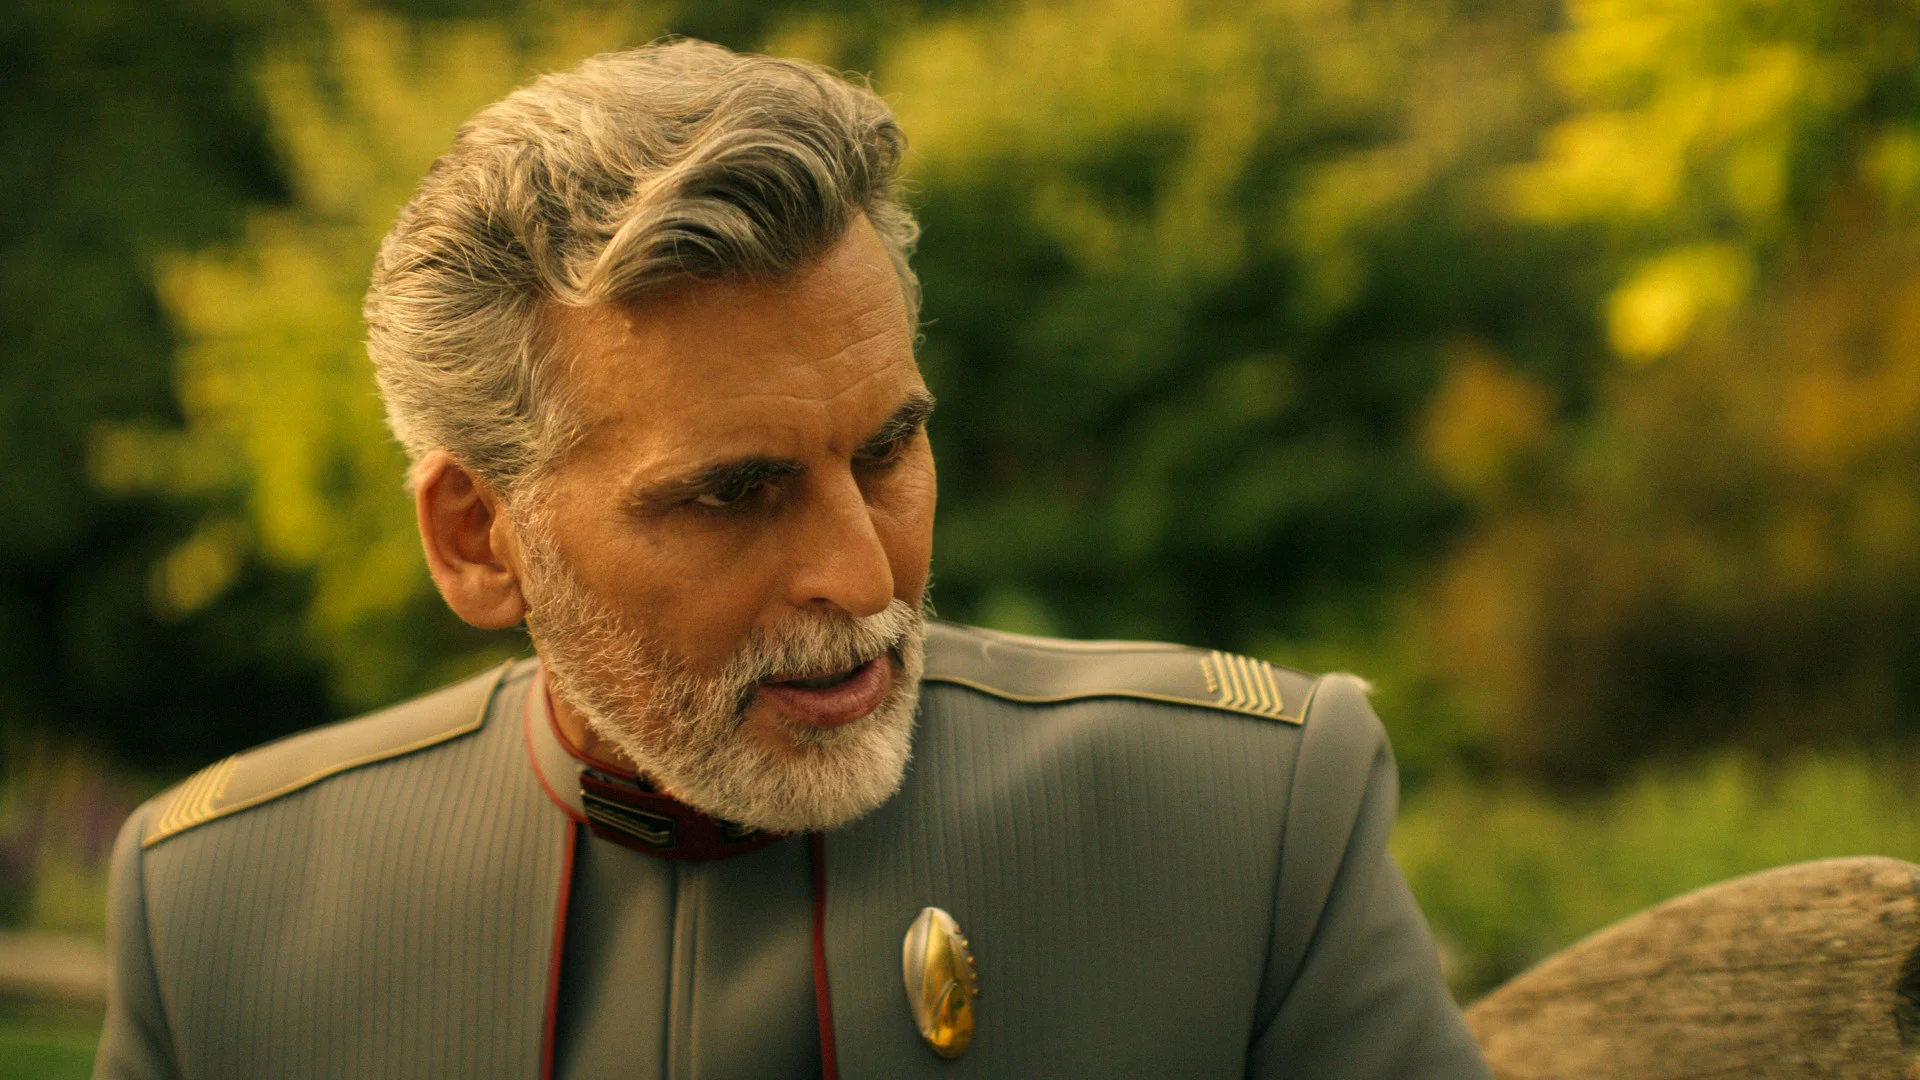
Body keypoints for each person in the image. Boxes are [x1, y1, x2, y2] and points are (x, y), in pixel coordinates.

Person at [92, 39, 1489, 1080]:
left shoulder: (1250, 822)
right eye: (732, 496)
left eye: (887, 450)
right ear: (477, 537)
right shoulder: (222, 911)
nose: (862, 581)